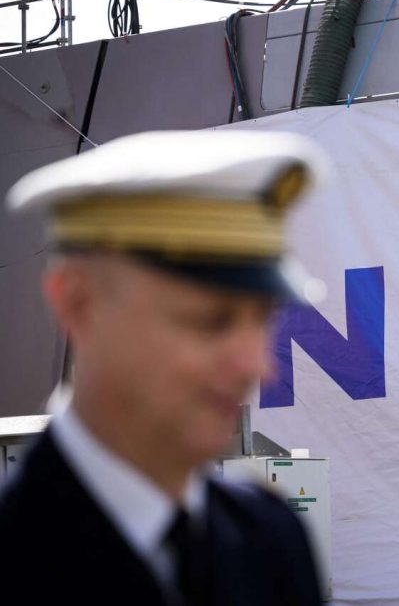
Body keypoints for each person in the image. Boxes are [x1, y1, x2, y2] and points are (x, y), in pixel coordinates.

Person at [0, 130, 327, 605]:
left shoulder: (273, 542)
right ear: (78, 303)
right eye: (211, 321)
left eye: (263, 321)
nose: (257, 367)